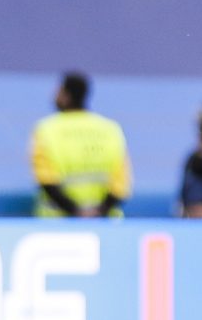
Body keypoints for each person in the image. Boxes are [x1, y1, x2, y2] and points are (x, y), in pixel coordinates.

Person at [30, 71, 131, 219]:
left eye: (58, 92)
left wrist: (76, 211)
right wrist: (100, 211)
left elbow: (45, 179)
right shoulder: (110, 129)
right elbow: (121, 184)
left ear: (66, 96)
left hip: (57, 224)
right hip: (105, 224)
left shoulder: (46, 130)